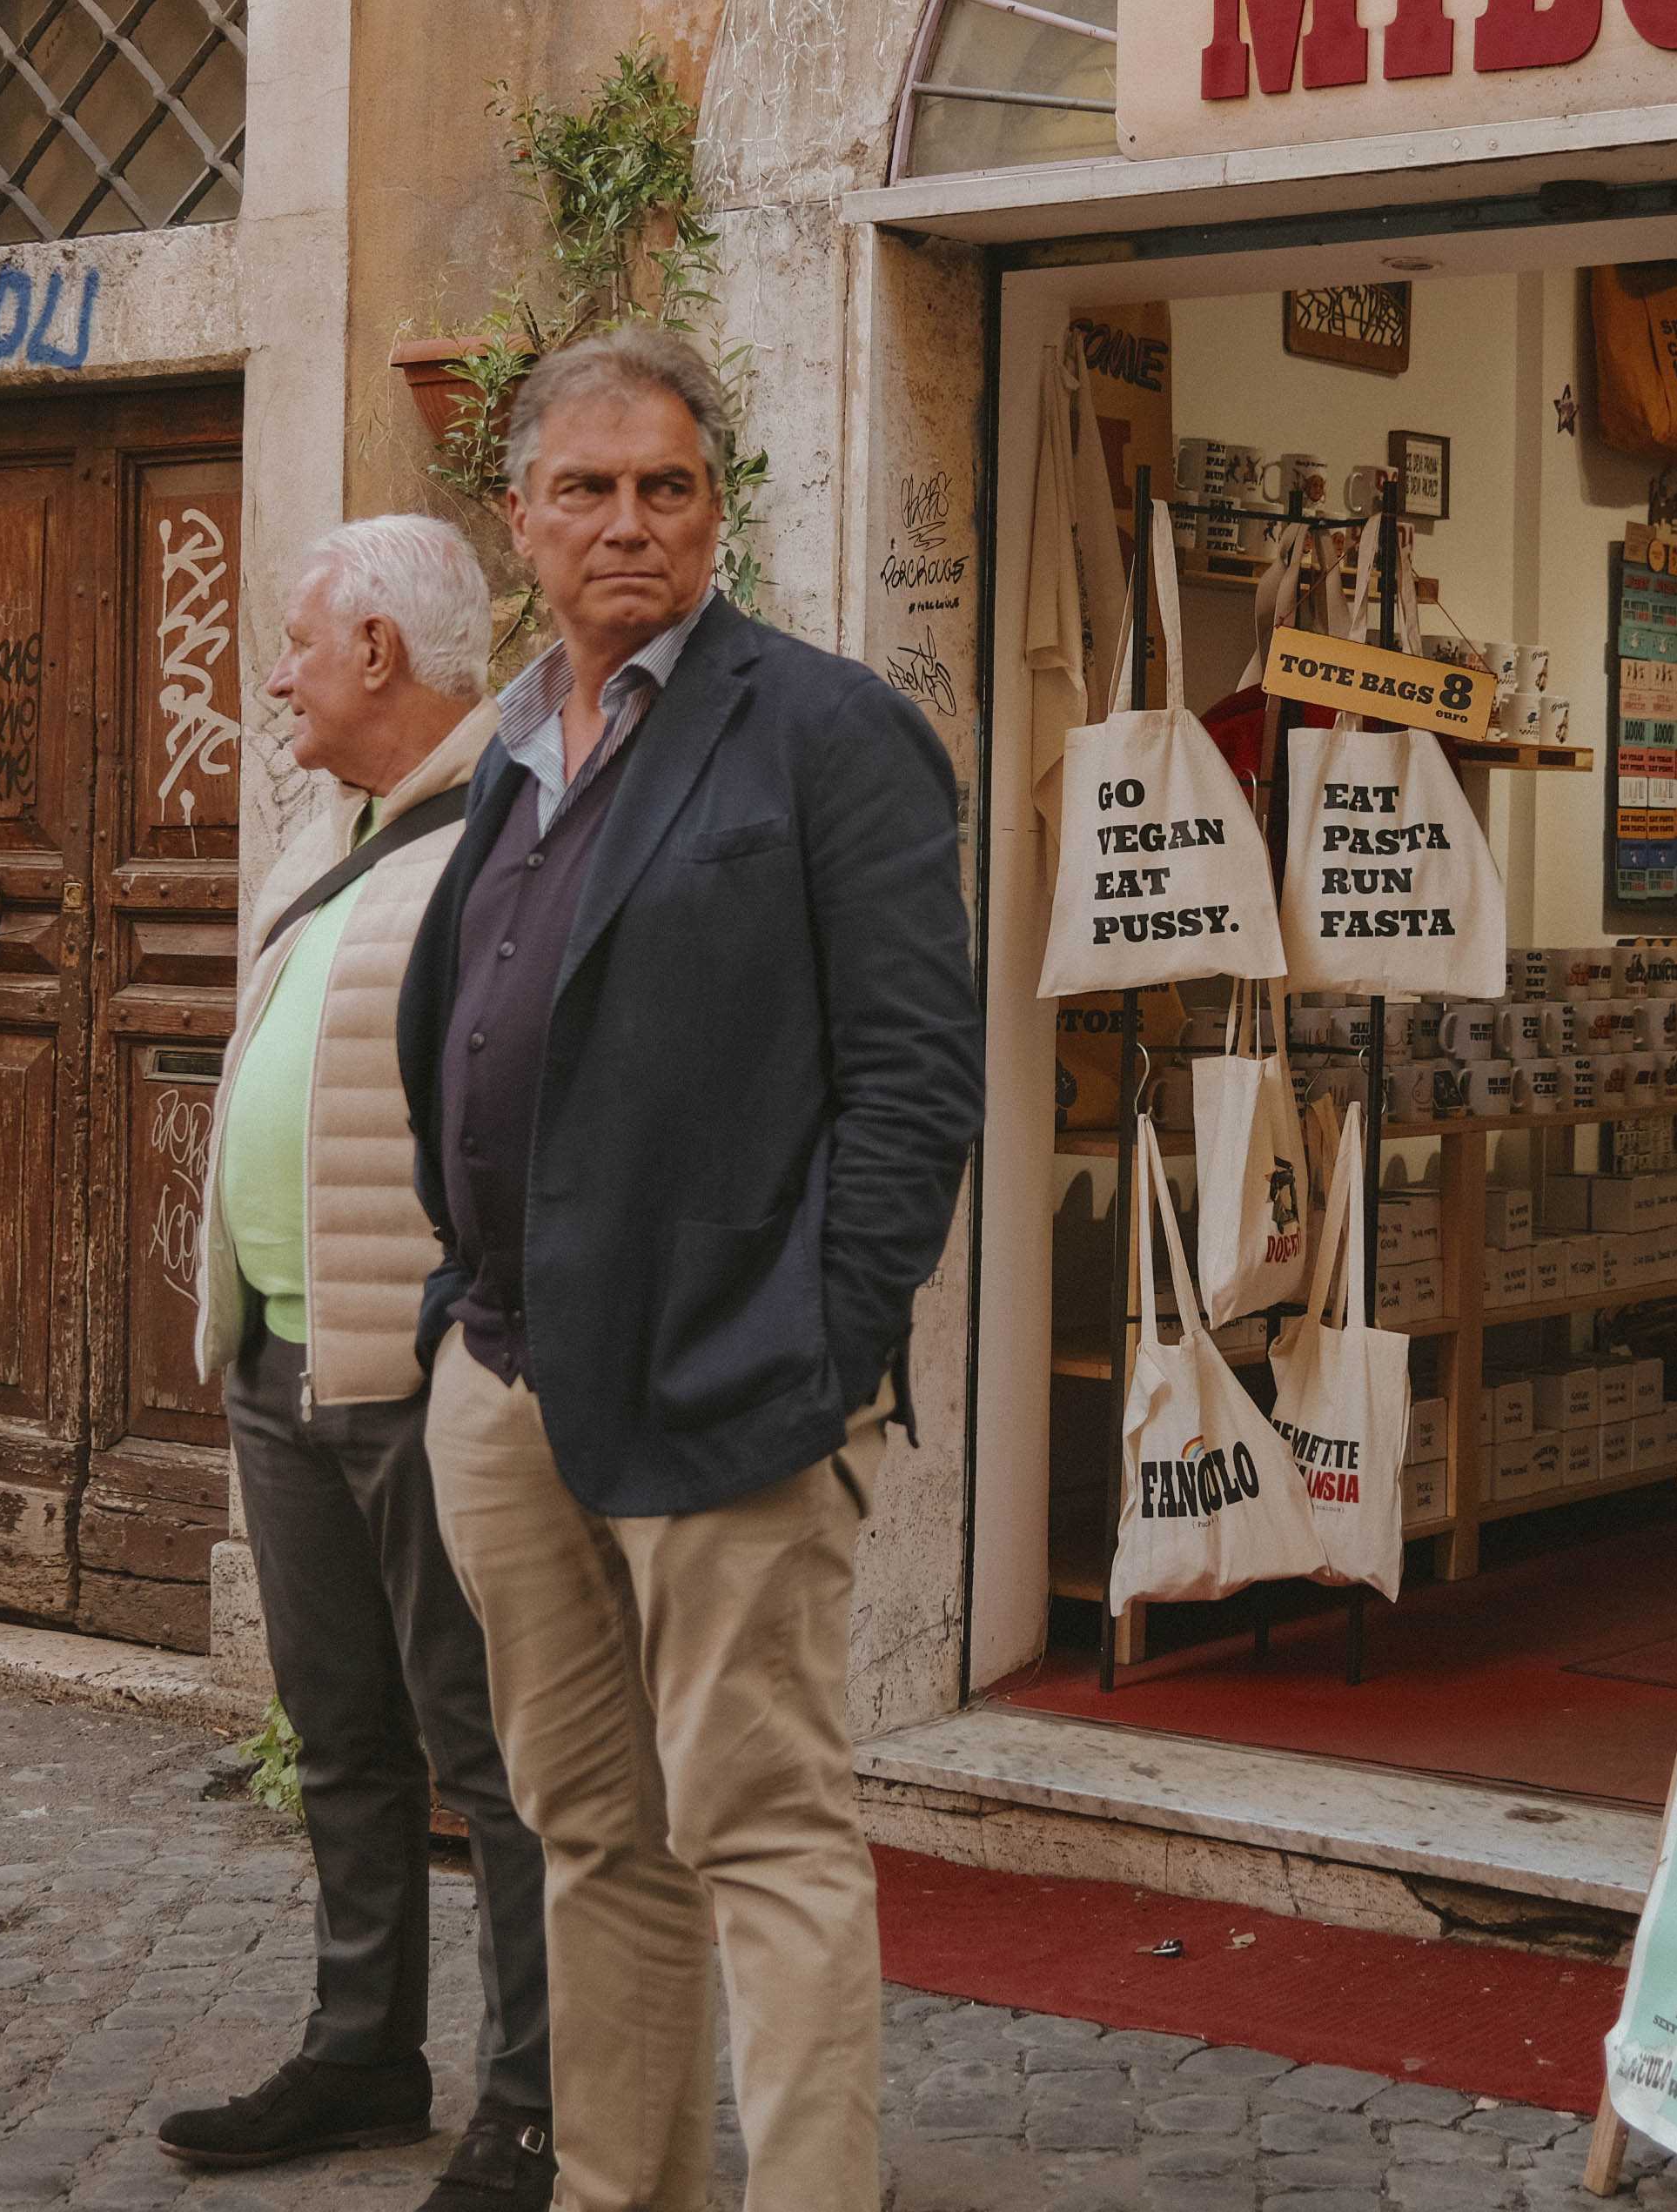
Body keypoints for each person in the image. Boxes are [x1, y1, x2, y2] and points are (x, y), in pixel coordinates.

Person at [397, 324, 981, 2212]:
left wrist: (826, 1345)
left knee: (765, 1833)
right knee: (583, 1836)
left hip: (734, 1380)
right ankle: (615, 2190)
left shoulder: (820, 729)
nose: (625, 523)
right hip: (506, 1373)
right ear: (518, 520)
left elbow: (912, 1076)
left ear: (715, 508)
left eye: (665, 486)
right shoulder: (504, 741)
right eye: (585, 488)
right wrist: (448, 1326)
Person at [158, 518, 556, 2212]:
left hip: (422, 1372)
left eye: (300, 646)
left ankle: (535, 2105)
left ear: (380, 654)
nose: (275, 677)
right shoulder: (339, 843)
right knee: (337, 1730)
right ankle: (362, 2050)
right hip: (280, 1356)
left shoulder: (509, 842)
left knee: (488, 1750)